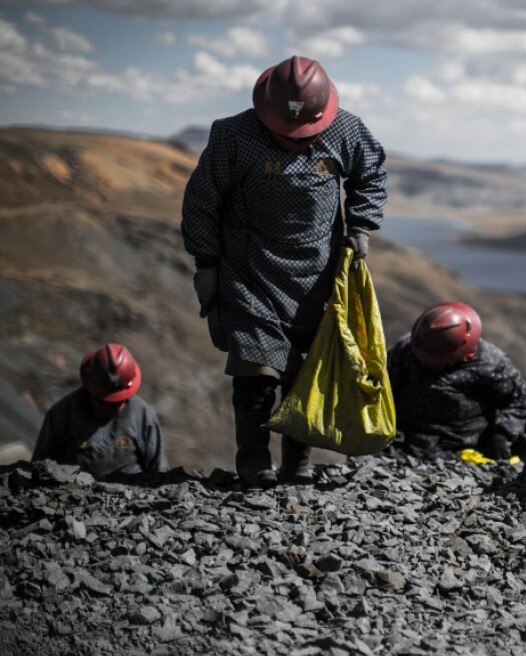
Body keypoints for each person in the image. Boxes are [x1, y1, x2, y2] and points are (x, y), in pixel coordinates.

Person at [181, 55, 388, 487]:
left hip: (318, 278)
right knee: (254, 375)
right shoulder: (233, 135)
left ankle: (298, 464)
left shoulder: (346, 131)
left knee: (306, 373)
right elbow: (203, 200)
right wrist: (207, 264)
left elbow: (371, 175)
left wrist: (362, 225)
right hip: (249, 275)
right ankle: (254, 461)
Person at [387, 302, 526, 461]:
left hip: (461, 449)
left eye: (436, 359)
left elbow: (519, 398)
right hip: (400, 440)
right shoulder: (407, 348)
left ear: (465, 353)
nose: (426, 363)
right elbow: (382, 385)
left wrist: (503, 435)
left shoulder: (490, 363)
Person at [34, 344, 168, 479]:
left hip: (130, 495)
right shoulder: (63, 414)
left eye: (115, 403)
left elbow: (159, 468)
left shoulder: (142, 415)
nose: (106, 407)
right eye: (100, 400)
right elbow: (39, 468)